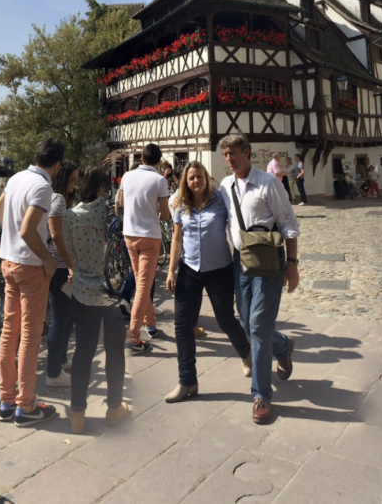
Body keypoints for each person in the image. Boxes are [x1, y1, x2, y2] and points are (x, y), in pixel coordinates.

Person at [219, 133, 300, 424]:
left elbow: (289, 223)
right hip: (240, 263)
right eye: (225, 154)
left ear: (247, 152)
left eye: (233, 153)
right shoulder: (225, 186)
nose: (229, 159)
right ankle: (283, 346)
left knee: (259, 325)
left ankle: (261, 395)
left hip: (268, 263)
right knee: (245, 320)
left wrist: (292, 264)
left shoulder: (268, 184)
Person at [0, 138, 65, 427]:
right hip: (30, 266)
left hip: (7, 262)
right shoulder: (44, 187)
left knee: (9, 332)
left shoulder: (16, 178)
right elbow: (27, 230)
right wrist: (47, 258)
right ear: (57, 165)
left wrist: (12, 237)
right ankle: (26, 405)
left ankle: (6, 401)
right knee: (31, 336)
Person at [165, 162, 252, 402]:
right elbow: (176, 239)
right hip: (189, 269)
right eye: (191, 178)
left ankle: (246, 353)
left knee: (225, 319)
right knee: (182, 325)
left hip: (219, 269)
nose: (196, 181)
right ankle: (187, 381)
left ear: (206, 177)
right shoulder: (180, 204)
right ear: (186, 181)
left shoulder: (221, 199)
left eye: (200, 176)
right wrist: (171, 271)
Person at [64, 166, 128, 433]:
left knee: (83, 352)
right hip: (111, 290)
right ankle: (114, 409)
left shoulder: (70, 215)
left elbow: (70, 251)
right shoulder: (109, 211)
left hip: (83, 290)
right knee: (114, 351)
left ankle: (77, 413)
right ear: (103, 188)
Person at [119, 144, 171, 354]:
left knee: (141, 280)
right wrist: (155, 214)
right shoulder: (159, 180)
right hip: (150, 235)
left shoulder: (127, 176)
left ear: (141, 158)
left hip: (130, 234)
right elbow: (165, 214)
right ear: (158, 162)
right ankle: (133, 336)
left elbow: (122, 202)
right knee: (143, 285)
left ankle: (150, 324)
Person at [44, 160, 79, 388]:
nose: (75, 184)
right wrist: (71, 265)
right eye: (73, 179)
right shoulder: (56, 200)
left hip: (59, 265)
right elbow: (56, 237)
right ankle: (53, 373)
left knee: (68, 316)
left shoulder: (56, 199)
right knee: (60, 317)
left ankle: (62, 359)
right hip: (58, 266)